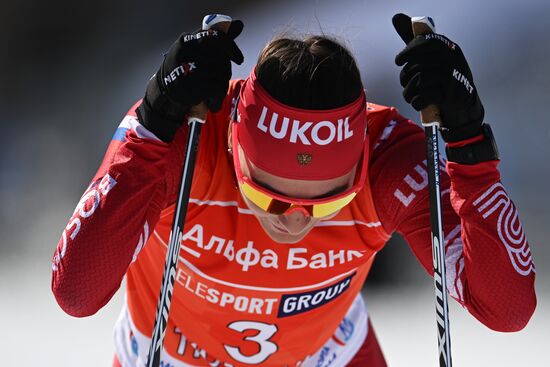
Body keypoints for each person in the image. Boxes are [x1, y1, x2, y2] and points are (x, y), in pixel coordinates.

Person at [51, 13, 536, 367]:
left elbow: (507, 307)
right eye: (266, 194)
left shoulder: (389, 160)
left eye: (329, 200)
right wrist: (151, 126)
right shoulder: (185, 135)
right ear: (235, 150)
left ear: (361, 159)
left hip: (327, 355)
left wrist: (470, 146)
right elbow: (77, 290)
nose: (294, 218)